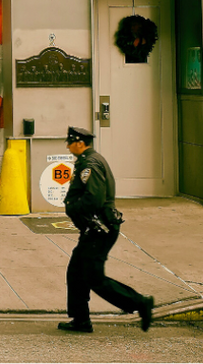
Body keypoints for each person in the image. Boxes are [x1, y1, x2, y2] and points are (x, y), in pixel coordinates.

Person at [59, 126, 154, 333]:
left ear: (80, 143)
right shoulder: (89, 160)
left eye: (70, 142)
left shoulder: (90, 163)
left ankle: (140, 303)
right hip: (95, 229)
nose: (67, 146)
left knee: (94, 278)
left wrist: (72, 207)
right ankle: (80, 319)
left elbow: (94, 198)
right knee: (76, 273)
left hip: (99, 230)